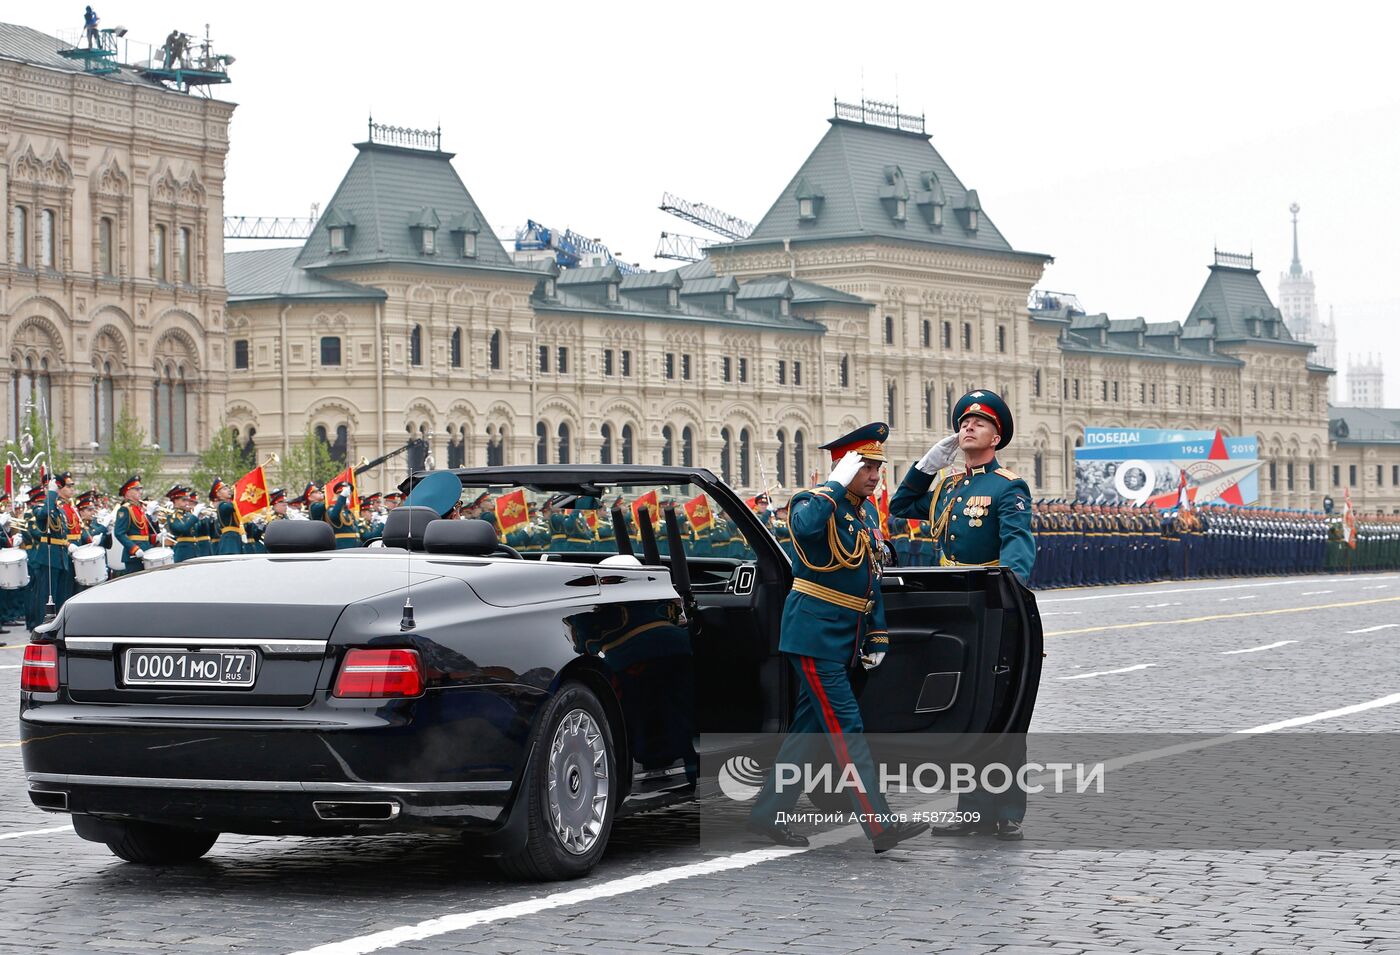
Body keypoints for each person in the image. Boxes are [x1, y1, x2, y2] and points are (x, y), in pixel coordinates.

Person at [748, 422, 927, 854]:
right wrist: (832, 485)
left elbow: (871, 577)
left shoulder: (865, 512)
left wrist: (877, 633)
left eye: (877, 467)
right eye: (866, 466)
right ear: (845, 466)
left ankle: (767, 813)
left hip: (842, 635)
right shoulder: (815, 502)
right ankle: (879, 824)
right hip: (814, 634)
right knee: (846, 726)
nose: (875, 475)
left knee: (808, 732)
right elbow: (806, 532)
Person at [891, 389, 1036, 841]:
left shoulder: (1006, 486)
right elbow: (900, 508)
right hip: (957, 605)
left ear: (996, 436)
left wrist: (1009, 597)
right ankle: (972, 812)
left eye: (979, 423)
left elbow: (1016, 547)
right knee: (967, 711)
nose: (967, 427)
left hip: (991, 603)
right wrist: (924, 467)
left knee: (1000, 709)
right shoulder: (950, 486)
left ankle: (1006, 808)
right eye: (964, 422)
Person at [112, 476, 155, 577]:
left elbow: (143, 534)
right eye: (137, 489)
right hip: (134, 554)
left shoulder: (139, 509)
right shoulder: (125, 509)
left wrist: (155, 537)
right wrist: (134, 549)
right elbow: (119, 533)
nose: (140, 491)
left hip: (146, 551)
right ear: (128, 492)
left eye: (140, 489)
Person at [327, 480, 361, 548]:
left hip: (355, 547)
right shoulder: (332, 509)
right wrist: (342, 497)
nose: (348, 496)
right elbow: (334, 516)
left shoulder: (349, 512)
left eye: (349, 494)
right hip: (343, 548)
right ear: (337, 496)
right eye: (345, 494)